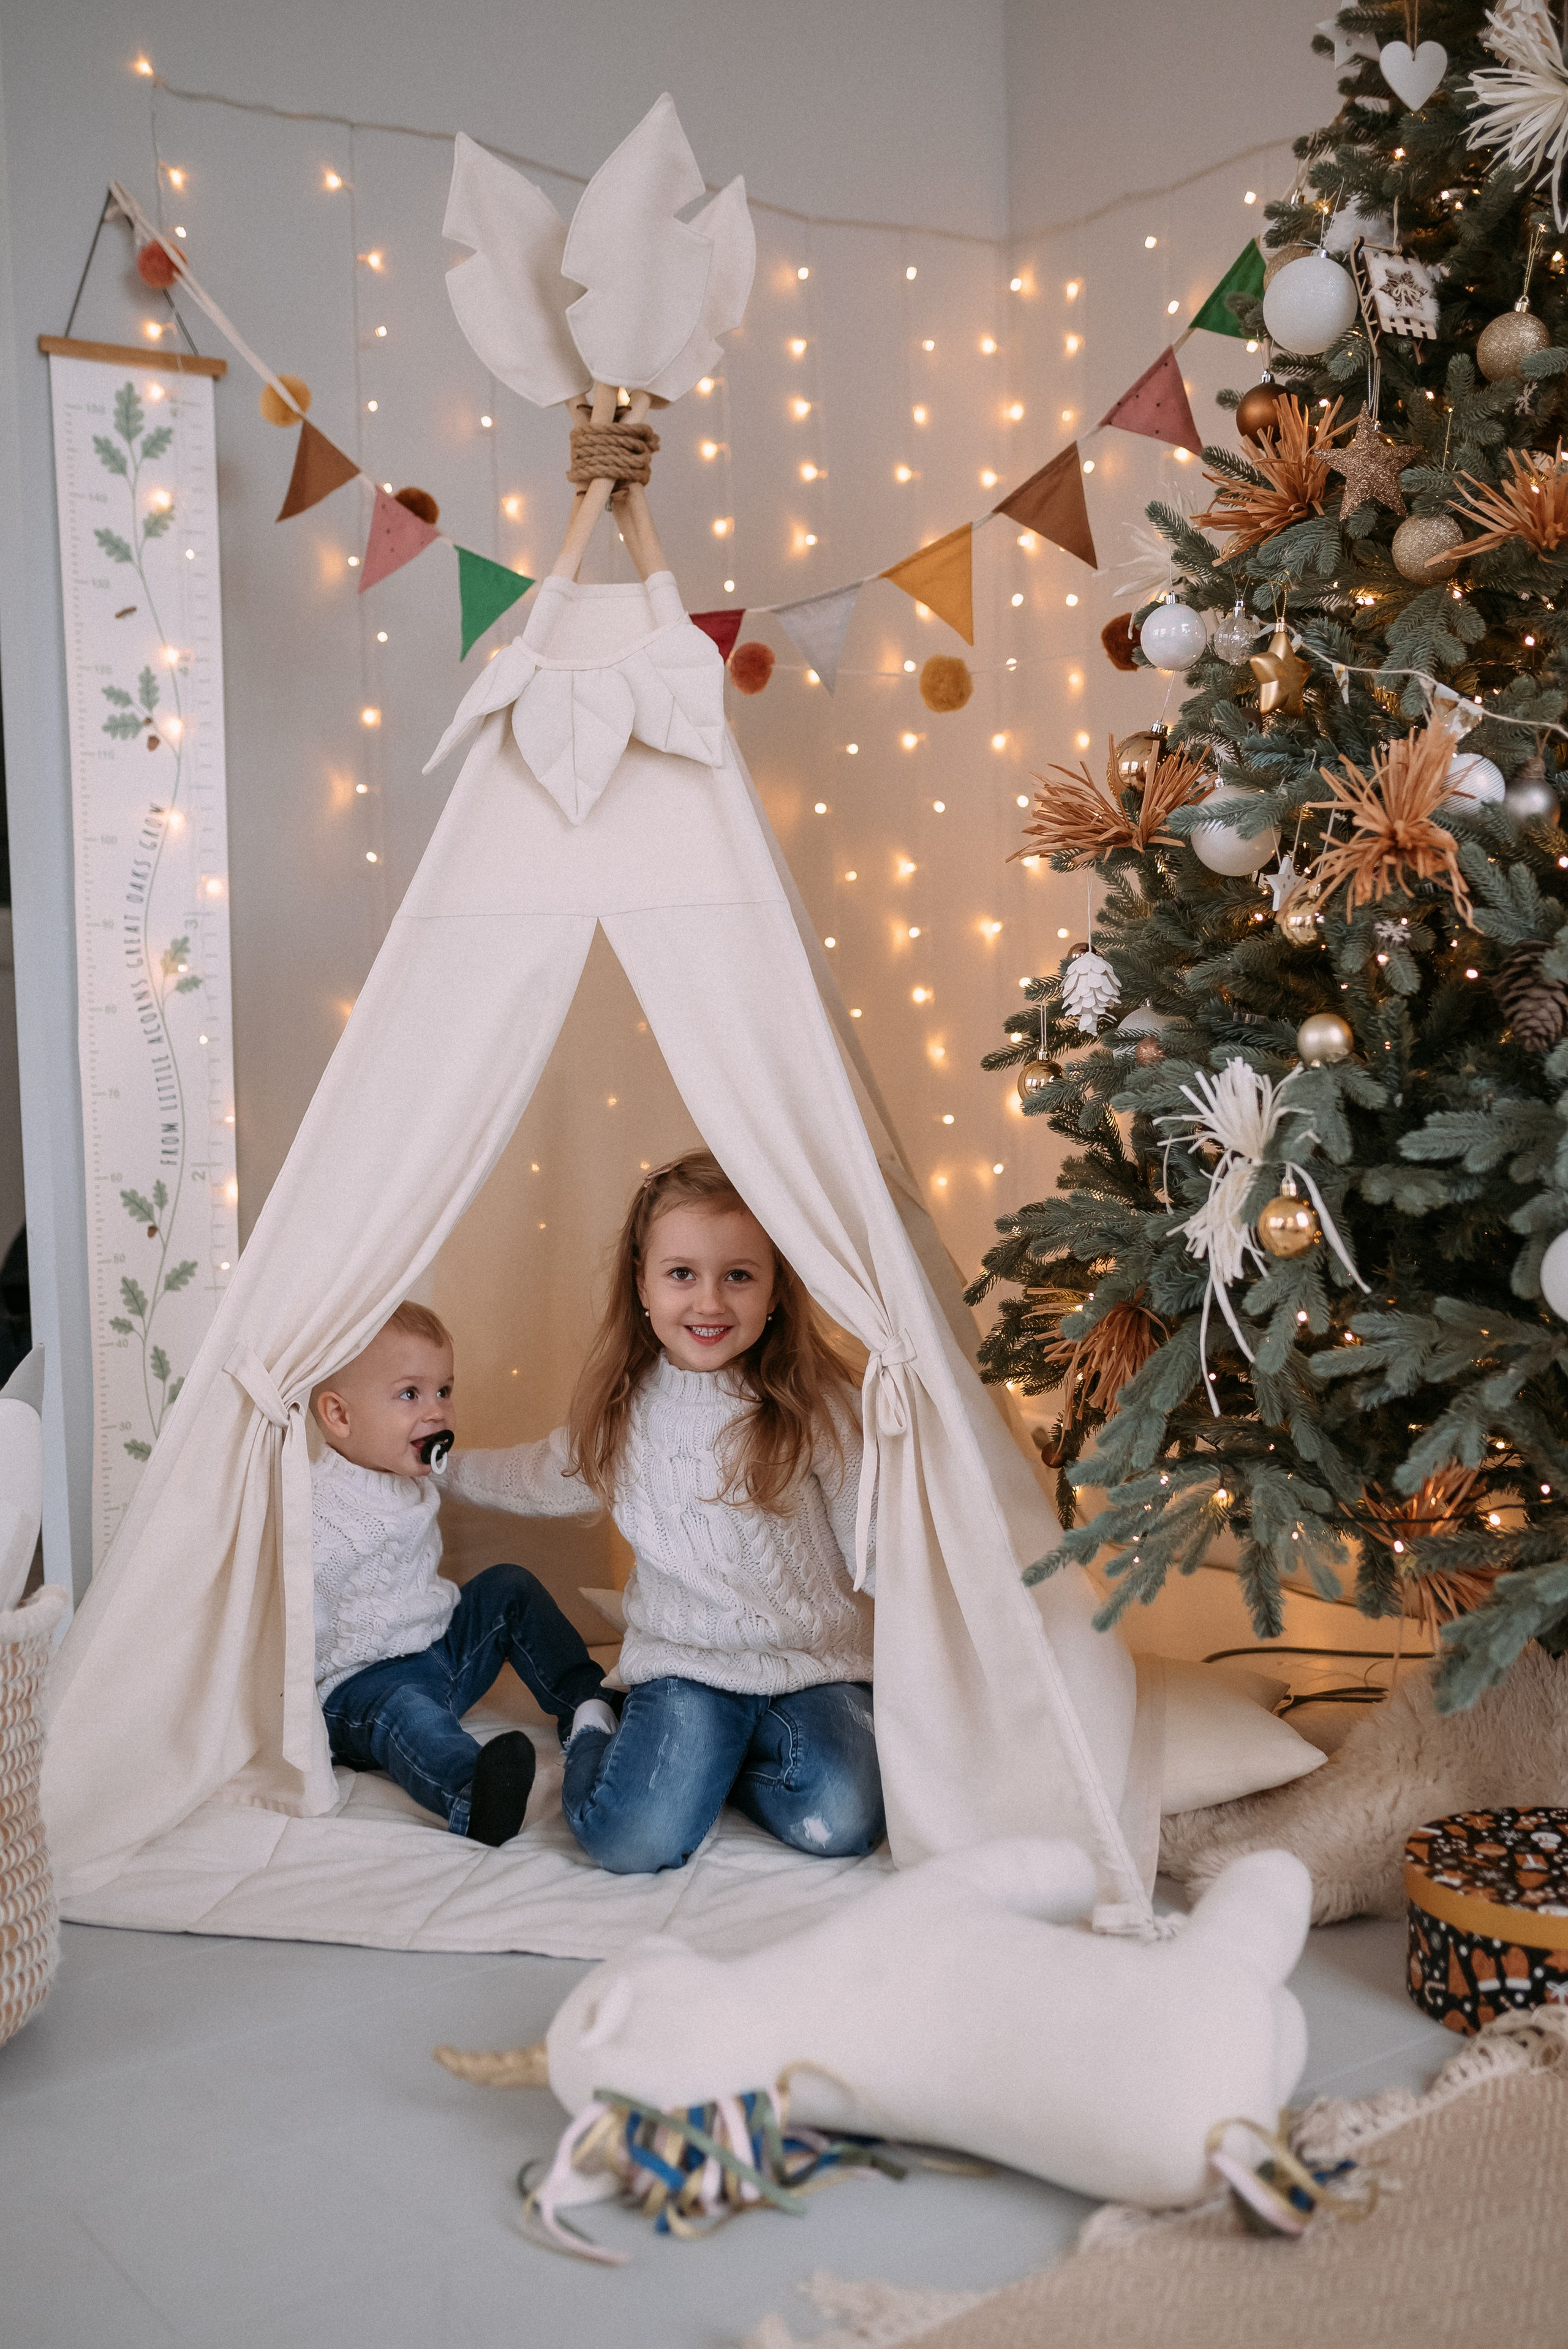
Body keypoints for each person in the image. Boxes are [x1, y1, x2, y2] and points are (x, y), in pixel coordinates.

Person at [445, 1152, 883, 1875]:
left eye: (738, 1275)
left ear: (776, 1289)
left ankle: (717, 1769)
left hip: (813, 1666)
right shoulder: (624, 1414)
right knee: (632, 1841)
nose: (709, 1302)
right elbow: (532, 1475)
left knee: (843, 1820)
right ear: (642, 1284)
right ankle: (594, 1726)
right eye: (682, 1274)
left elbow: (874, 1544)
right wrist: (437, 1468)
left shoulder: (816, 1404)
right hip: (686, 1668)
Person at [311, 1301, 610, 1847]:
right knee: (411, 1713)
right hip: (361, 1685)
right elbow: (298, 1615)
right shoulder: (319, 1509)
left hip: (436, 1649)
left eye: (444, 1391)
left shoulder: (413, 1469)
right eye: (410, 1394)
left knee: (508, 1585)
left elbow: (499, 1477)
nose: (437, 1412)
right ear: (340, 1416)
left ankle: (591, 1705)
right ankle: (473, 1793)